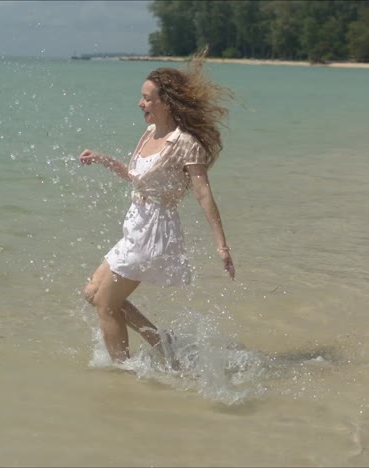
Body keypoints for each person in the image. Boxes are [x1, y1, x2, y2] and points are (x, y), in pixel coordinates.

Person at [79, 52, 235, 363]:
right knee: (92, 294)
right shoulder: (150, 133)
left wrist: (222, 245)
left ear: (166, 102)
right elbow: (138, 178)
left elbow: (203, 193)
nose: (141, 104)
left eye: (147, 99)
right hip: (136, 223)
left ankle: (123, 374)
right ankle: (158, 339)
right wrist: (102, 159)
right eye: (142, 98)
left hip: (155, 230)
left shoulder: (185, 143)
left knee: (107, 304)